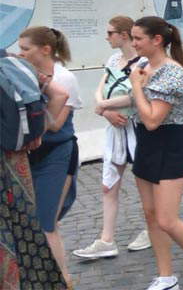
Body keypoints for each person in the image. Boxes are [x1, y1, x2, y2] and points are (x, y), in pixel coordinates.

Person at [126, 17, 183, 290]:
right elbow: (137, 105)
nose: (133, 43)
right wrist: (106, 105)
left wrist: (135, 85)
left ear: (157, 40)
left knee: (166, 219)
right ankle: (166, 277)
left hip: (169, 143)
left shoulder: (173, 73)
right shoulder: (143, 66)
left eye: (138, 38)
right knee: (151, 215)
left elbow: (153, 118)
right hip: (146, 143)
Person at [73, 16, 151, 260]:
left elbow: (136, 96)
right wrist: (105, 110)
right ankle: (106, 239)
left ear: (123, 35)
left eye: (110, 33)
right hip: (115, 129)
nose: (107, 37)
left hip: (137, 127)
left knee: (146, 183)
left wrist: (104, 106)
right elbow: (101, 88)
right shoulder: (112, 60)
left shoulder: (145, 62)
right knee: (109, 184)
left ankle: (152, 229)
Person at [17, 27, 81, 285]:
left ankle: (63, 280)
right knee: (39, 221)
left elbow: (55, 124)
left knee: (46, 222)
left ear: (45, 50)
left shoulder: (64, 78)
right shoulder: (25, 74)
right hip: (32, 154)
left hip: (58, 153)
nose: (20, 54)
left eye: (25, 49)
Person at [1, 53, 70, 289]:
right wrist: (38, 130)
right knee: (26, 232)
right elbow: (60, 94)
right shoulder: (15, 63)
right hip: (17, 163)